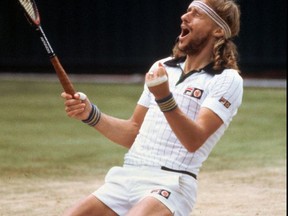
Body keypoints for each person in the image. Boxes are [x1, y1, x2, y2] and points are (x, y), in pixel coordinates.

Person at [61, 0, 243, 215]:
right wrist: (90, 113)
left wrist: (164, 97)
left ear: (218, 30)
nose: (184, 17)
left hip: (172, 182)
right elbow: (133, 132)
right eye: (187, 12)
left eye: (197, 14)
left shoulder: (227, 80)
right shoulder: (162, 67)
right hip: (128, 175)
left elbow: (194, 140)